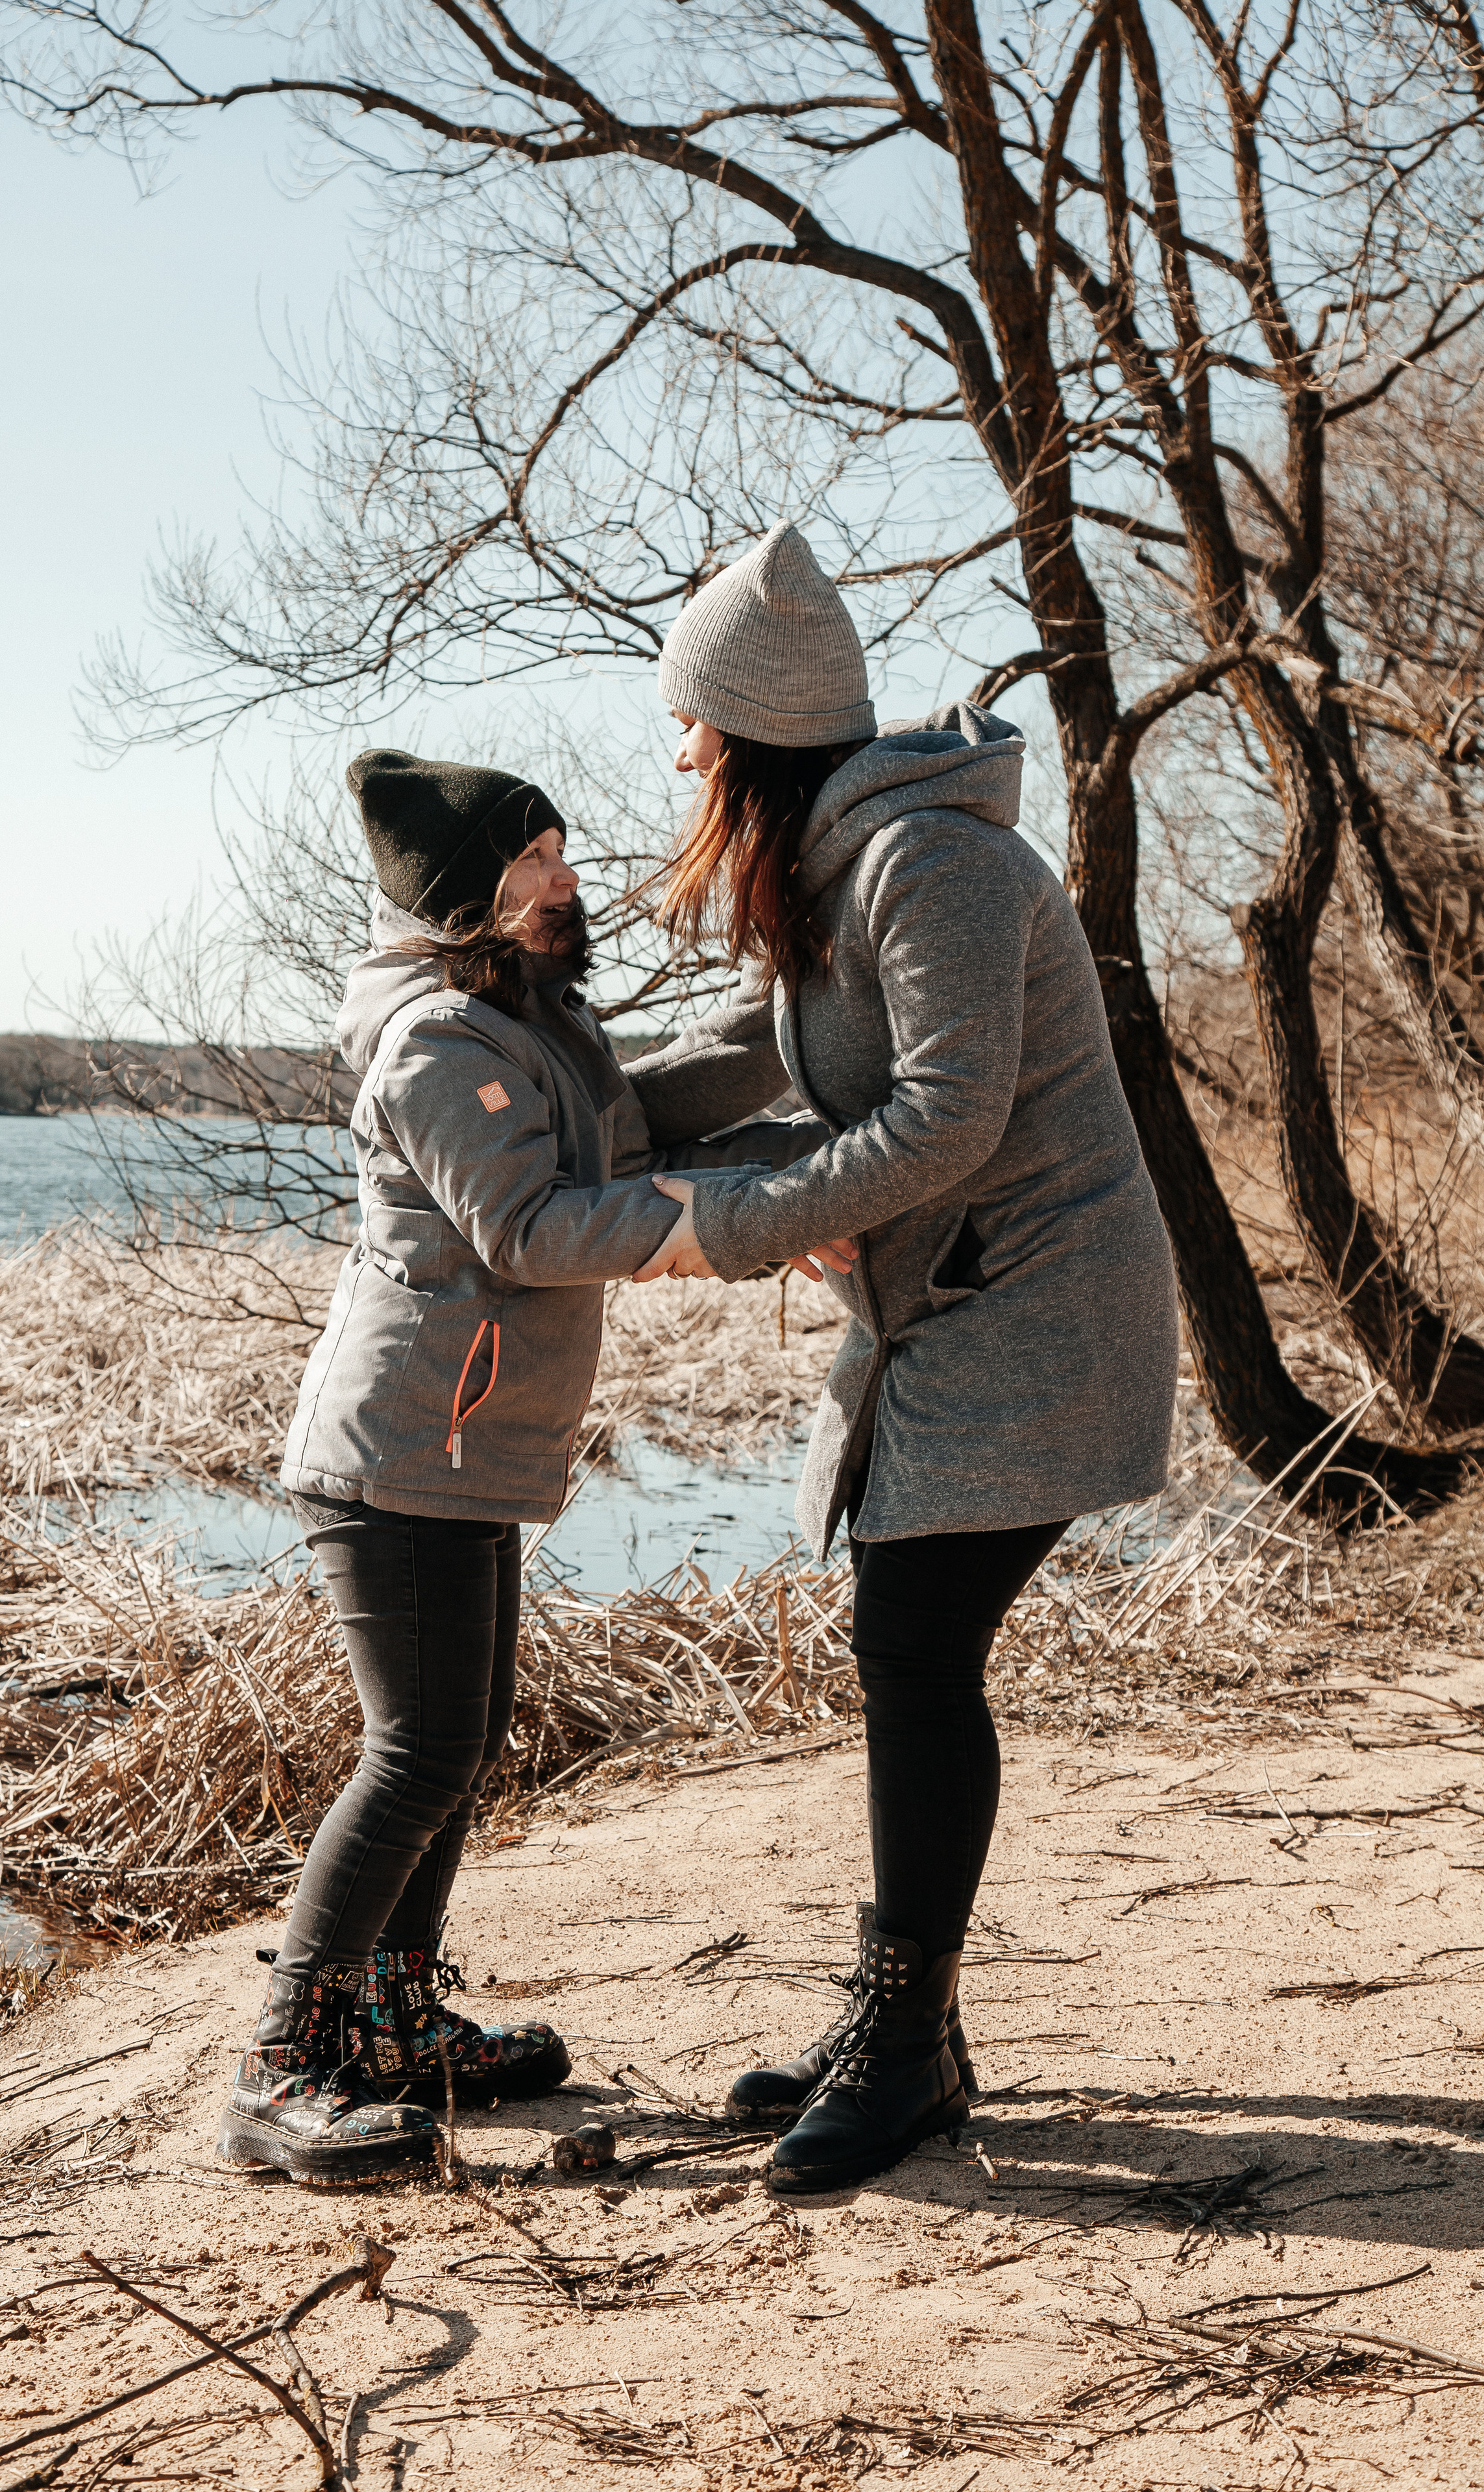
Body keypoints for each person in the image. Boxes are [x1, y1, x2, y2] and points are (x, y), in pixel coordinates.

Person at [628, 522, 1180, 2194]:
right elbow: (756, 1052)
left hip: (1036, 1305)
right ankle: (902, 2028)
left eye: (692, 721)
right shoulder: (841, 872)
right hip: (948, 1309)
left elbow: (947, 1112)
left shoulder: (932, 865)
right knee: (906, 1647)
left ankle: (904, 2044)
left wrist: (727, 1222)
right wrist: (543, 1116)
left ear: (753, 730)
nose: (678, 751)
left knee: (914, 1645)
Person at [219, 749, 842, 2187]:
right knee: (419, 1748)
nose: (568, 879)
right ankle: (280, 2064)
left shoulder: (533, 1016)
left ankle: (390, 2019)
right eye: (535, 862)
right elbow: (529, 1229)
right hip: (397, 1453)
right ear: (464, 899)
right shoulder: (436, 1039)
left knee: (462, 1737)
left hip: (468, 1445)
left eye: (560, 851)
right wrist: (743, 1214)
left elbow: (636, 1124)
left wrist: (795, 991)